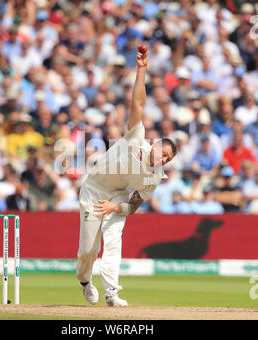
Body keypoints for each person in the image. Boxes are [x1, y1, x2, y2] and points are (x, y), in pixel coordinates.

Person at [76, 49, 177, 307]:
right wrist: (142, 70)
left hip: (118, 195)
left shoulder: (155, 178)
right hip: (93, 190)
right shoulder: (136, 139)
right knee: (89, 248)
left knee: (113, 241)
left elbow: (133, 206)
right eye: (163, 153)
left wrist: (115, 207)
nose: (163, 159)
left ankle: (111, 293)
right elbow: (138, 104)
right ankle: (85, 281)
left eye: (168, 159)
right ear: (154, 145)